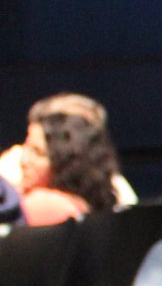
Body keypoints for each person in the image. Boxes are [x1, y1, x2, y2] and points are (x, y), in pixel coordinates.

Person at [0, 94, 124, 224]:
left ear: (67, 165)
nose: (24, 160)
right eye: (26, 146)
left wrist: (7, 190)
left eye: (38, 152)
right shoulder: (93, 199)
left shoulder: (45, 204)